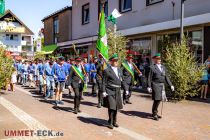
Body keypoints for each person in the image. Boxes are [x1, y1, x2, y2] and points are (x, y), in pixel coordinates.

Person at [147, 53, 174, 121]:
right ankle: (154, 113)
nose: (159, 60)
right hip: (155, 84)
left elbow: (166, 77)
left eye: (160, 59)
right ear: (155, 59)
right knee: (157, 99)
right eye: (157, 59)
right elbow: (149, 78)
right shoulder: (152, 67)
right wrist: (149, 86)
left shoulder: (163, 67)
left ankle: (155, 112)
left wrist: (171, 85)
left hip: (162, 85)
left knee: (159, 99)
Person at [102, 54, 123, 129]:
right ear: (111, 62)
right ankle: (110, 122)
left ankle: (114, 121)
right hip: (110, 90)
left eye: (117, 60)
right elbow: (104, 82)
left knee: (116, 106)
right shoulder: (107, 70)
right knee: (112, 106)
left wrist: (125, 89)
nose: (116, 62)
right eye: (114, 61)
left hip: (117, 90)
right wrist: (103, 91)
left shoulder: (119, 70)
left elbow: (121, 80)